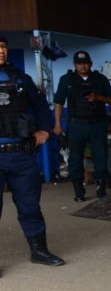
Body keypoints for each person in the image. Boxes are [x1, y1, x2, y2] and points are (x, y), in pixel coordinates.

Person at [0, 34, 65, 270]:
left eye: (3, 47)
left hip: (21, 155)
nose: (1, 51)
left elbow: (40, 106)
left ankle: (39, 251)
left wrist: (45, 130)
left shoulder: (20, 78)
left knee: (30, 206)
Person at [53, 50, 111, 202]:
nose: (83, 66)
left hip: (97, 124)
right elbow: (59, 103)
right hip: (76, 125)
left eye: (86, 63)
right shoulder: (67, 80)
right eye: (79, 63)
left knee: (101, 156)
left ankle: (101, 189)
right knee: (75, 158)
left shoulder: (100, 79)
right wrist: (57, 124)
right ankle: (78, 192)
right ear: (74, 64)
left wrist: (98, 98)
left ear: (91, 63)